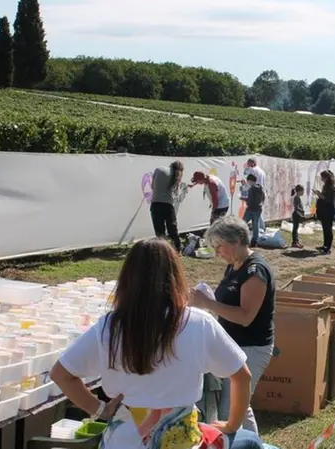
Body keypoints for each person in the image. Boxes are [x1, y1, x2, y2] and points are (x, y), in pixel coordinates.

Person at [50, 238, 263, 449]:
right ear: (175, 276)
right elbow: (242, 375)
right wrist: (232, 424)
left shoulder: (110, 326)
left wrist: (100, 410)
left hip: (122, 441)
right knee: (250, 440)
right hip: (181, 441)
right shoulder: (199, 322)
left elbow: (61, 374)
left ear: (127, 279)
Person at [192, 216, 276, 436]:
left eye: (220, 246)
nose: (218, 252)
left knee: (236, 406)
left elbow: (246, 316)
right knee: (232, 405)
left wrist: (207, 303)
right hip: (234, 344)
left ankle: (250, 443)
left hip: (252, 347)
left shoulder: (255, 271)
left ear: (237, 240)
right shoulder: (234, 266)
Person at [150, 161, 185, 251]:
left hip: (155, 203)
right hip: (167, 205)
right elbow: (175, 191)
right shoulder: (177, 175)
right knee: (172, 229)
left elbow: (152, 186)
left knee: (159, 231)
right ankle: (177, 248)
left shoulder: (159, 169)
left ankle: (162, 250)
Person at [314, 170, 335, 255]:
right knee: (325, 228)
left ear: (327, 177)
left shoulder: (331, 188)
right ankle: (325, 245)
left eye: (322, 177)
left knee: (328, 229)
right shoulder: (326, 186)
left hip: (329, 210)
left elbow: (327, 199)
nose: (321, 179)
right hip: (325, 209)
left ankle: (328, 248)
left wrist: (319, 194)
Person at [243, 159, 266, 232]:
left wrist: (244, 188)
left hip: (253, 193)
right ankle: (262, 229)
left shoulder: (252, 170)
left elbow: (248, 181)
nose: (248, 165)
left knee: (252, 215)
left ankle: (257, 231)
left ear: (253, 163)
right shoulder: (262, 171)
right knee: (257, 213)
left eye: (249, 163)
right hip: (260, 193)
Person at [242, 174, 264, 248]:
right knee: (255, 225)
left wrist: (244, 199)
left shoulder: (252, 188)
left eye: (248, 181)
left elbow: (251, 199)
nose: (248, 183)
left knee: (242, 223)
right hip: (257, 209)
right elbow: (261, 198)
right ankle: (254, 241)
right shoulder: (260, 188)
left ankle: (242, 239)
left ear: (250, 181)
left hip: (251, 208)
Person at [291, 185, 304, 249]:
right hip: (296, 214)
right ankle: (294, 242)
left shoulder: (298, 197)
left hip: (297, 214)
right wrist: (302, 212)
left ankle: (296, 241)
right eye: (302, 191)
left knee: (296, 228)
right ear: (298, 191)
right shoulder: (296, 198)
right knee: (295, 229)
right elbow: (297, 208)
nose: (303, 192)